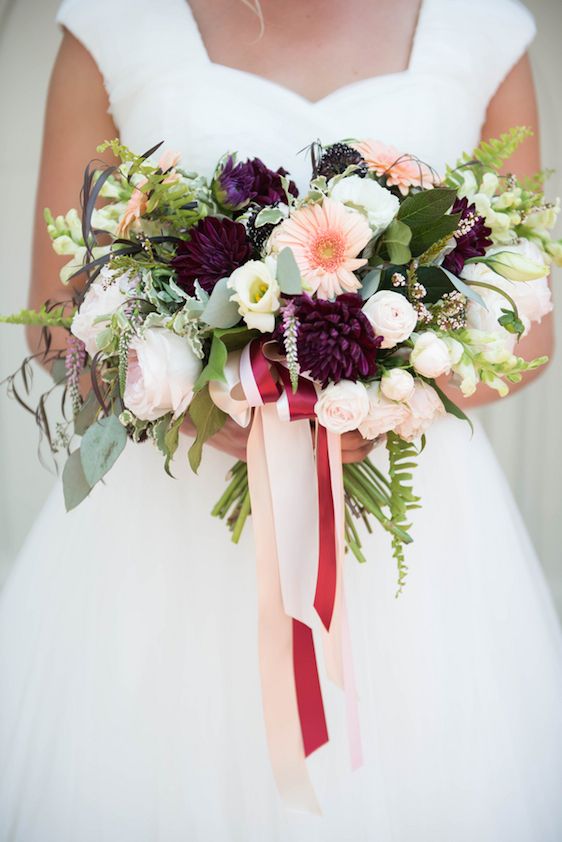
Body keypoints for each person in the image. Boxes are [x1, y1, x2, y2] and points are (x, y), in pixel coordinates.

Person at [1, 0, 562, 839]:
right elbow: (54, 316)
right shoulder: (111, 22)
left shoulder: (484, 28)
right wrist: (195, 392)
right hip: (158, 528)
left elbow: (531, 322)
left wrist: (385, 390)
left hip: (421, 542)